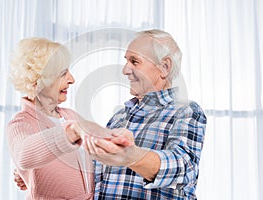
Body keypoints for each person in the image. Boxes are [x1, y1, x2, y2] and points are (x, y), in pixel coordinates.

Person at [14, 29, 207, 199]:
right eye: (126, 61)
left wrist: (132, 157)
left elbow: (184, 168)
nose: (125, 70)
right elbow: (91, 172)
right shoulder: (119, 118)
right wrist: (39, 172)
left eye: (134, 61)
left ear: (164, 67)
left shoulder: (186, 111)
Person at [7, 38, 96, 199]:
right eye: (63, 73)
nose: (72, 79)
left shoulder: (71, 116)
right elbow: (23, 155)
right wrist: (70, 133)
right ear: (38, 81)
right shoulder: (20, 124)